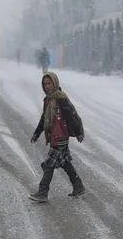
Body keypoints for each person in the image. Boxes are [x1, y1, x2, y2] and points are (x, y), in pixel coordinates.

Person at [29, 72, 85, 203]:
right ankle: (78, 185)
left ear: (55, 83)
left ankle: (43, 192)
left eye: (49, 83)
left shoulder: (61, 99)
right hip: (54, 136)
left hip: (60, 137)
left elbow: (71, 117)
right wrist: (37, 133)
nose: (47, 86)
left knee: (49, 165)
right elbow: (44, 119)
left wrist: (78, 132)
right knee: (65, 163)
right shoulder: (48, 99)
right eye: (45, 84)